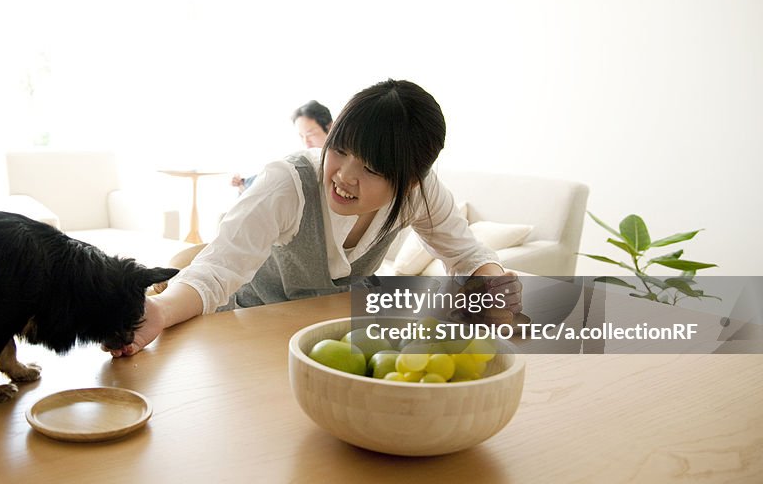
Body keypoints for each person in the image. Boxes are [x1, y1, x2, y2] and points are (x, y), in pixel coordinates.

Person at [111, 79, 522, 357]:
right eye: (340, 149)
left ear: (410, 181)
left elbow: (467, 255)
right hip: (249, 334)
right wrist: (160, 312)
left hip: (337, 339)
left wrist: (496, 290)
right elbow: (216, 271)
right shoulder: (287, 183)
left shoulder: (422, 192)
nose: (343, 176)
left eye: (372, 170)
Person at [231, 100, 333, 193]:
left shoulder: (338, 161)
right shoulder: (303, 160)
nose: (306, 142)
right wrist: (244, 183)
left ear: (330, 127)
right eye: (302, 136)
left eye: (310, 134)